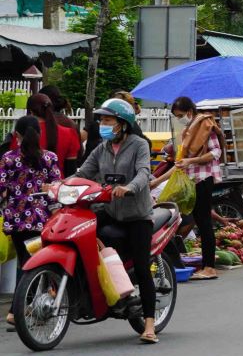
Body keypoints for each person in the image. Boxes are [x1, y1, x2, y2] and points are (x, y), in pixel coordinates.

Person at [74, 99, 158, 343]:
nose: (103, 124)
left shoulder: (139, 145)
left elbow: (144, 172)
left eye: (108, 120)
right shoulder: (102, 147)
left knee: (143, 268)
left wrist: (130, 187)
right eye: (101, 120)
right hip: (110, 211)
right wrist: (59, 186)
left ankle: (149, 325)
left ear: (122, 124)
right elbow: (83, 173)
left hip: (137, 216)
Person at [151, 96, 223, 281]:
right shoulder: (188, 130)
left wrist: (192, 160)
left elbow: (216, 153)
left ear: (190, 112)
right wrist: (156, 182)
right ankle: (207, 265)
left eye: (181, 115)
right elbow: (179, 164)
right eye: (176, 116)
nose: (179, 118)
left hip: (203, 179)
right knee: (200, 221)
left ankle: (209, 267)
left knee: (204, 222)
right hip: (191, 180)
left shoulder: (205, 126)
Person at [2, 116, 62, 328]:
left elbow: (1, 190)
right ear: (39, 134)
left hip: (16, 221)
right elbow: (57, 189)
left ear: (16, 135)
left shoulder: (8, 159)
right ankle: (19, 309)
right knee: (36, 262)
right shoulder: (49, 158)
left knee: (25, 262)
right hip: (42, 219)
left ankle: (21, 308)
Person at [27, 93, 80, 177]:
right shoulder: (69, 133)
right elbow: (71, 170)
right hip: (59, 186)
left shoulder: (23, 133)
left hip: (29, 186)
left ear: (30, 111)